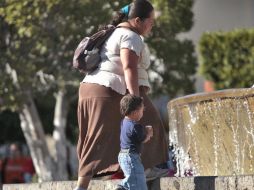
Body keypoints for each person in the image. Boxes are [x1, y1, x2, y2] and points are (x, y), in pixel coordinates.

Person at [74, 1, 168, 189]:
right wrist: (136, 99)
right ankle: (150, 169)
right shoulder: (130, 36)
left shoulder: (113, 32)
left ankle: (83, 185)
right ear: (137, 21)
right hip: (107, 90)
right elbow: (129, 67)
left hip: (91, 89)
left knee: (95, 138)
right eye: (151, 21)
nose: (153, 25)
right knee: (150, 119)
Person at [117, 94, 153, 190]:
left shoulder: (124, 122)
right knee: (139, 183)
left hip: (123, 155)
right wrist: (149, 133)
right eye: (142, 110)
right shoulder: (136, 126)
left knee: (134, 179)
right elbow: (143, 139)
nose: (143, 112)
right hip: (131, 157)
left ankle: (123, 187)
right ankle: (122, 186)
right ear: (135, 112)